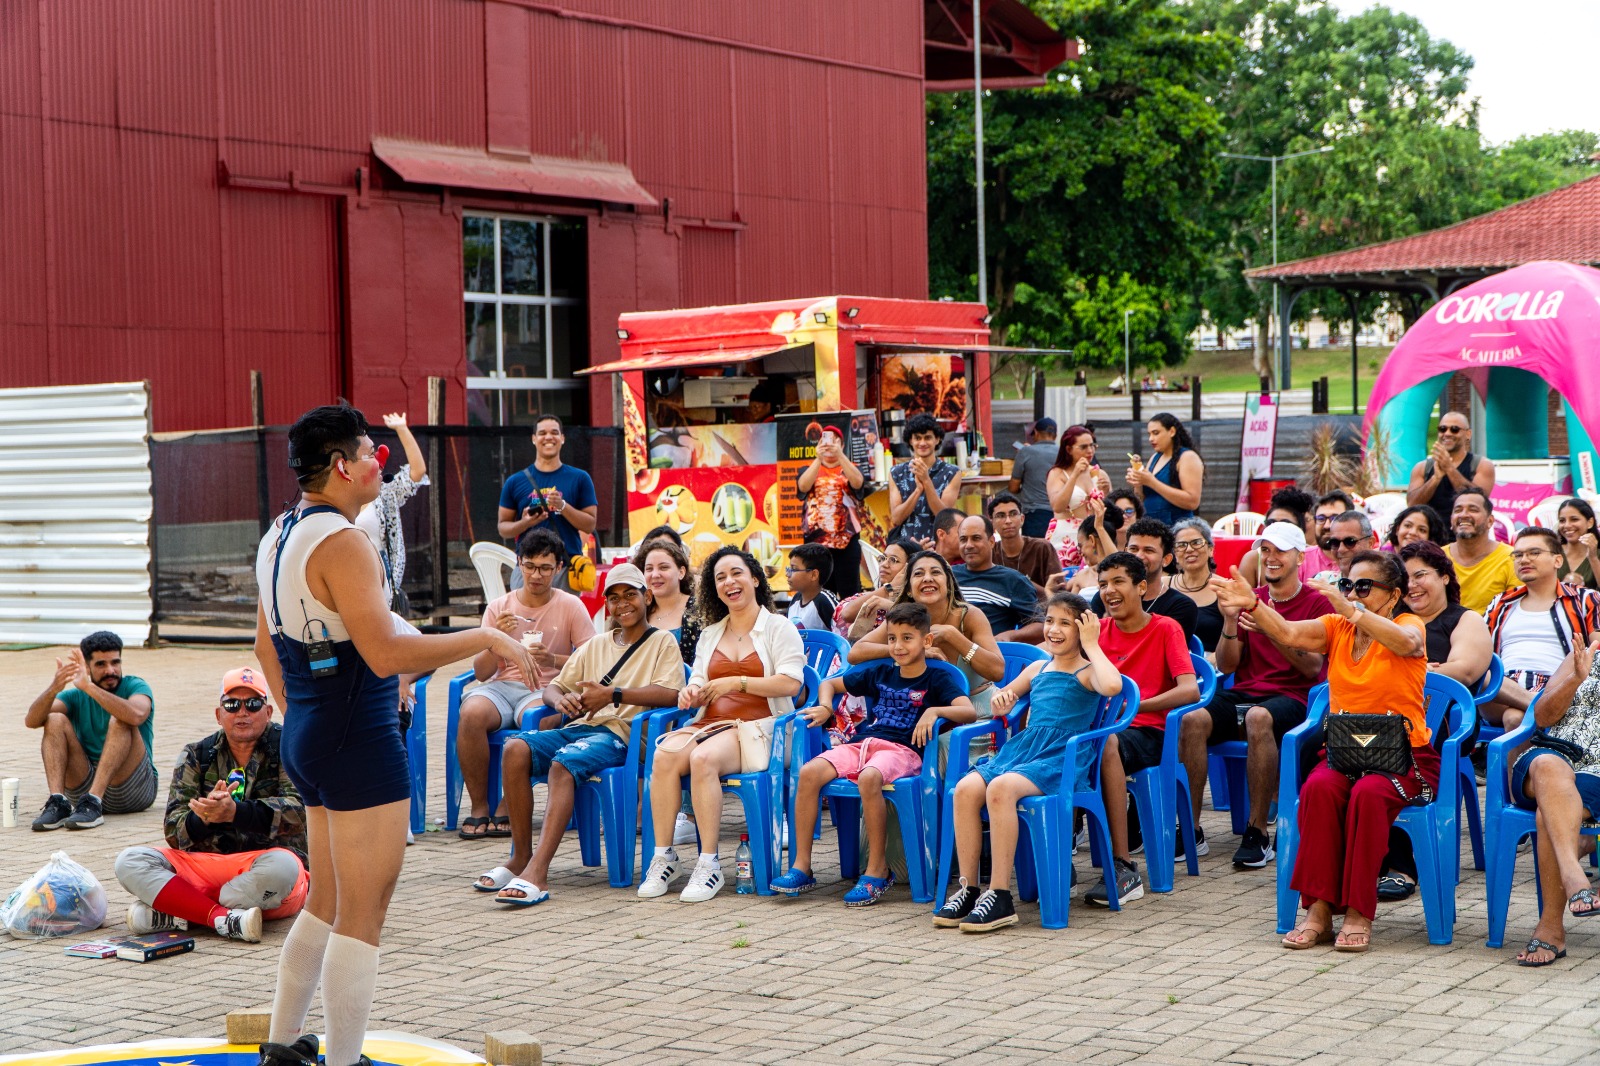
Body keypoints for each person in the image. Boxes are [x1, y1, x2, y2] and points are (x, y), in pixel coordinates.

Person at [252, 402, 540, 1066]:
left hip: (313, 731)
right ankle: (344, 1061)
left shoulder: (277, 534)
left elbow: (266, 649)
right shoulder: (342, 541)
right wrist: (487, 634)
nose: (380, 463)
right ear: (339, 466)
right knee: (364, 911)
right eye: (370, 453)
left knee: (326, 898)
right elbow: (384, 655)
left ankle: (281, 1047)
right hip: (356, 735)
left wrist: (307, 717)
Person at [1215, 549, 1432, 953]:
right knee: (1318, 790)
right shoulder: (1338, 626)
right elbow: (1289, 633)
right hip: (1347, 750)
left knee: (1368, 795)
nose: (1353, 593)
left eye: (1364, 586)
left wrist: (1351, 610)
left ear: (1394, 594)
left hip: (1404, 757)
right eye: (1348, 584)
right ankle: (1318, 910)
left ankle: (1358, 913)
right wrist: (1254, 606)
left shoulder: (1407, 623)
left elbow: (1406, 644)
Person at [483, 565, 684, 905]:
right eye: (614, 598)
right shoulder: (597, 645)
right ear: (607, 605)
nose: (623, 604)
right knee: (514, 748)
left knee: (564, 764)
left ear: (647, 597)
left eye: (630, 595)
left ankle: (538, 872)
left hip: (623, 735)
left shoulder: (662, 642)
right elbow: (556, 687)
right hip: (581, 729)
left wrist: (613, 695)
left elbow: (671, 695)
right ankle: (520, 856)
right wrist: (561, 699)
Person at [935, 593, 1121, 932]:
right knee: (964, 789)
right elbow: (1002, 700)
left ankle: (1001, 894)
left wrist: (1094, 645)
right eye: (1050, 621)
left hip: (1061, 757)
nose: (1054, 629)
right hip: (1025, 749)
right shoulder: (1038, 667)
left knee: (1002, 788)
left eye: (1066, 623)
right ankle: (969, 887)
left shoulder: (1088, 671)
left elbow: (1113, 685)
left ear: (1083, 629)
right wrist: (1004, 701)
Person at [773, 602, 975, 904]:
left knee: (870, 778)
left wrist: (934, 711)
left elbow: (968, 711)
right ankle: (802, 866)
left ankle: (877, 869)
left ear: (926, 641)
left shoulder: (937, 679)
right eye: (892, 638)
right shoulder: (879, 672)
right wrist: (827, 706)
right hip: (862, 744)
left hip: (902, 751)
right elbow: (829, 684)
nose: (898, 645)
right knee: (809, 773)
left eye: (907, 638)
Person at [638, 548, 806, 902]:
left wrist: (736, 683)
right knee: (664, 755)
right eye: (720, 578)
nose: (729, 582)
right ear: (714, 589)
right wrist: (691, 693)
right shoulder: (710, 633)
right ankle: (664, 856)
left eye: (736, 573)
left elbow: (791, 684)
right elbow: (698, 679)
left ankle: (709, 863)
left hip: (759, 729)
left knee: (703, 760)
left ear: (755, 579)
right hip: (713, 722)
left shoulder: (778, 627)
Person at [114, 667, 307, 944]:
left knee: (284, 868)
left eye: (252, 704)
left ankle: (183, 910)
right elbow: (174, 831)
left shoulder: (290, 745)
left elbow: (300, 810)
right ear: (219, 715)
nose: (242, 712)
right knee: (130, 861)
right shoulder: (197, 754)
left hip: (265, 865)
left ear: (268, 712)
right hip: (207, 866)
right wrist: (203, 818)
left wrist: (236, 812)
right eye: (232, 704)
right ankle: (221, 917)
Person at [1182, 524, 1333, 868]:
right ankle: (1189, 829)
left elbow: (1312, 669)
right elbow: (1226, 663)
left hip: (1296, 699)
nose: (1270, 557)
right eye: (1265, 550)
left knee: (1258, 717)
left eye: (1279, 550)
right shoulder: (1251, 597)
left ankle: (1257, 831)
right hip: (1245, 693)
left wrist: (1270, 625)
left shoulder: (1317, 602)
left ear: (1299, 556)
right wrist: (1231, 622)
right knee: (1193, 717)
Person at [454, 528, 596, 839]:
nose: (536, 575)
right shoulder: (499, 607)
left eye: (545, 568)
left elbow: (592, 660)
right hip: (502, 686)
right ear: (519, 563)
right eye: (530, 566)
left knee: (540, 718)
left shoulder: (571, 606)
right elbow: (480, 672)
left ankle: (508, 801)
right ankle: (480, 807)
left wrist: (553, 660)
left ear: (559, 568)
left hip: (546, 688)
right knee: (471, 713)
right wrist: (496, 640)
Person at [1377, 541, 1494, 902]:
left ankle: (1401, 865)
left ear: (1444, 576)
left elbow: (1467, 669)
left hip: (1449, 723)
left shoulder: (1463, 619)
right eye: (1405, 578)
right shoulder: (1392, 623)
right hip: (1391, 717)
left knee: (1394, 750)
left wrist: (1418, 673)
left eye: (1421, 575)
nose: (1412, 585)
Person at [1084, 552, 1199, 907]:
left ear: (1142, 587)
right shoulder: (1097, 632)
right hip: (1104, 730)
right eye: (1103, 584)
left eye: (1118, 582)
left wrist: (1136, 705)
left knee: (1105, 745)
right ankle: (1057, 861)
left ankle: (1123, 865)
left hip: (1149, 733)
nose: (1109, 591)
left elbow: (1190, 689)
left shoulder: (1166, 628)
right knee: (1067, 745)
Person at [1507, 634, 1600, 966]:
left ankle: (1551, 928)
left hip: (1598, 769)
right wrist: (1576, 678)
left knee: (1550, 815)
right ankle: (1573, 872)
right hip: (1552, 754)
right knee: (1547, 767)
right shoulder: (1587, 651)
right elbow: (1543, 717)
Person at [27, 631, 157, 832]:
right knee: (54, 719)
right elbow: (32, 721)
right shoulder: (75, 696)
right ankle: (58, 802)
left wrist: (89, 688)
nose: (111, 670)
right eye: (101, 665)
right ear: (86, 668)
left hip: (134, 789)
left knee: (122, 719)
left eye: (115, 662)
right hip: (82, 795)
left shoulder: (135, 686)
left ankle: (95, 800)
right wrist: (54, 688)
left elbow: (137, 715)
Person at [850, 550, 1006, 718]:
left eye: (936, 572)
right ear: (909, 589)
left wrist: (952, 635)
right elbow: (855, 653)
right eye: (918, 574)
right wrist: (910, 650)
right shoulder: (902, 618)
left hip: (976, 717)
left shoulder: (969, 616)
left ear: (948, 583)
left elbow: (997, 671)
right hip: (920, 716)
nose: (927, 578)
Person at [1481, 527, 1600, 734]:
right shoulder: (1500, 603)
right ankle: (1538, 705)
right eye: (1517, 554)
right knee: (1479, 669)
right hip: (1502, 688)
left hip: (1559, 686)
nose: (1524, 559)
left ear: (1557, 561)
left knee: (1515, 718)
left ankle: (1537, 709)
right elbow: (1480, 653)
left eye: (1534, 553)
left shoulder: (1585, 599)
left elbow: (1596, 650)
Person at [496, 414, 599, 591]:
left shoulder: (580, 478)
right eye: (542, 433)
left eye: (554, 432)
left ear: (562, 438)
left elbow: (590, 524)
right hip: (527, 568)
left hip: (565, 568)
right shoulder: (515, 482)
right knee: (525, 618)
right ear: (534, 439)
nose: (548, 437)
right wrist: (525, 523)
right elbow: (503, 528)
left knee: (563, 619)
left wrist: (563, 506)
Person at [353, 412, 427, 611]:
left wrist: (402, 429)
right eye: (367, 455)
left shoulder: (385, 492)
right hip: (349, 572)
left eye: (373, 455)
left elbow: (417, 473)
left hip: (381, 577)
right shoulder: (338, 494)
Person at [1095, 517, 1199, 643]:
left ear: (1166, 559)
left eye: (1148, 550)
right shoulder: (1106, 597)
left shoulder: (1181, 606)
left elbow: (1157, 654)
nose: (1139, 556)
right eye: (1133, 549)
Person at [797, 425, 866, 597]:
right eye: (825, 440)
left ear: (842, 445)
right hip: (816, 542)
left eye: (834, 440)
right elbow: (803, 486)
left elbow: (858, 483)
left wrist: (840, 456)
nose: (829, 444)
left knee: (850, 590)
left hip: (847, 540)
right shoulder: (809, 468)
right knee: (819, 590)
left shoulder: (850, 467)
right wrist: (818, 459)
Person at [952, 514, 1045, 643]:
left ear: (991, 542)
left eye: (976, 538)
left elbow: (1040, 627)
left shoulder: (1013, 581)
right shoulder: (948, 576)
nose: (968, 545)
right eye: (963, 539)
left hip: (988, 655)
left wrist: (1010, 636)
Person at [1406, 410, 1496, 528]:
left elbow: (1478, 501)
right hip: (1431, 537)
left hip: (1466, 534)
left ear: (1468, 434)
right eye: (1443, 429)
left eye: (1454, 429)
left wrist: (1450, 469)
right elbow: (1412, 505)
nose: (1447, 433)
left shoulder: (1482, 466)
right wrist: (1435, 479)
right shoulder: (1422, 468)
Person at [888, 413, 963, 545]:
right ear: (911, 441)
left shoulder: (952, 472)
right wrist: (918, 490)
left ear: (937, 439)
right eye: (917, 438)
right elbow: (896, 518)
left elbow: (944, 518)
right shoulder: (897, 472)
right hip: (906, 547)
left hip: (938, 546)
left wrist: (927, 481)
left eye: (928, 438)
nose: (922, 443)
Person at [1044, 424, 1113, 563]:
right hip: (1065, 537)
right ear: (1068, 449)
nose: (1090, 450)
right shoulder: (1057, 473)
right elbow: (1057, 506)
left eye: (1092, 445)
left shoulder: (1098, 473)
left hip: (1092, 535)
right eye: (1083, 447)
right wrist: (1074, 475)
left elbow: (1109, 509)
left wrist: (1106, 492)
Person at [1447, 487, 1521, 613]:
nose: (1464, 515)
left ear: (1490, 521)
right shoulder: (1437, 557)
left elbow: (1515, 610)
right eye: (1458, 510)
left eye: (1473, 510)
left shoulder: (1511, 558)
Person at [1126, 413, 1204, 527]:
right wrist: (1138, 482)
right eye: (1149, 434)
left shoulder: (1187, 457)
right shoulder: (1155, 458)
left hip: (1177, 529)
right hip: (1151, 529)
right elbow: (1141, 498)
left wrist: (1152, 482)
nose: (1151, 439)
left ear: (1172, 431)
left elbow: (1192, 502)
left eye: (1156, 433)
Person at [834, 539, 917, 642]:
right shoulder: (867, 597)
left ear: (910, 568)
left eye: (894, 560)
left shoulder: (918, 604)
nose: (884, 564)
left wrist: (889, 605)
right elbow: (847, 614)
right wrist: (889, 588)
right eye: (883, 558)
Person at [633, 537, 700, 663]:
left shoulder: (700, 610)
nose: (655, 574)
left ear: (681, 572)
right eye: (649, 569)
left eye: (663, 568)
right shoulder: (638, 611)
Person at [989, 491, 1062, 593]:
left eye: (1013, 514)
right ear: (992, 523)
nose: (1008, 521)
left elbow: (1060, 592)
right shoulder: (990, 553)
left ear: (1022, 519)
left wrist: (1024, 583)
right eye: (1001, 516)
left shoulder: (1042, 548)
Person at [1171, 518, 1223, 652]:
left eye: (1196, 543)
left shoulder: (1224, 588)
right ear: (1175, 555)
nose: (1189, 549)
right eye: (1181, 545)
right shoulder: (1162, 586)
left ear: (1211, 549)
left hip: (1210, 667)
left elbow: (1238, 641)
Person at [1008, 417, 1062, 538]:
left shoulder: (1025, 452)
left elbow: (1013, 487)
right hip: (1060, 515)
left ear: (1036, 433)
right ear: (1055, 435)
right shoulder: (1064, 453)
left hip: (1034, 515)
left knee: (1034, 554)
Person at [785, 543, 841, 632]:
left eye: (794, 569)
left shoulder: (824, 602)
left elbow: (843, 633)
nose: (787, 574)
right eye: (788, 569)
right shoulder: (796, 599)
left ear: (814, 575)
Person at [1315, 511, 1377, 584]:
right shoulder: (1322, 581)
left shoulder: (1386, 583)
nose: (1341, 549)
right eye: (1335, 542)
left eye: (1350, 542)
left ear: (1370, 543)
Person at [1556, 497, 1600, 590]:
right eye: (1562, 520)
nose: (1567, 525)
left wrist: (1593, 558)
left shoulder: (1597, 554)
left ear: (1590, 522)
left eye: (1574, 519)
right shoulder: (1553, 552)